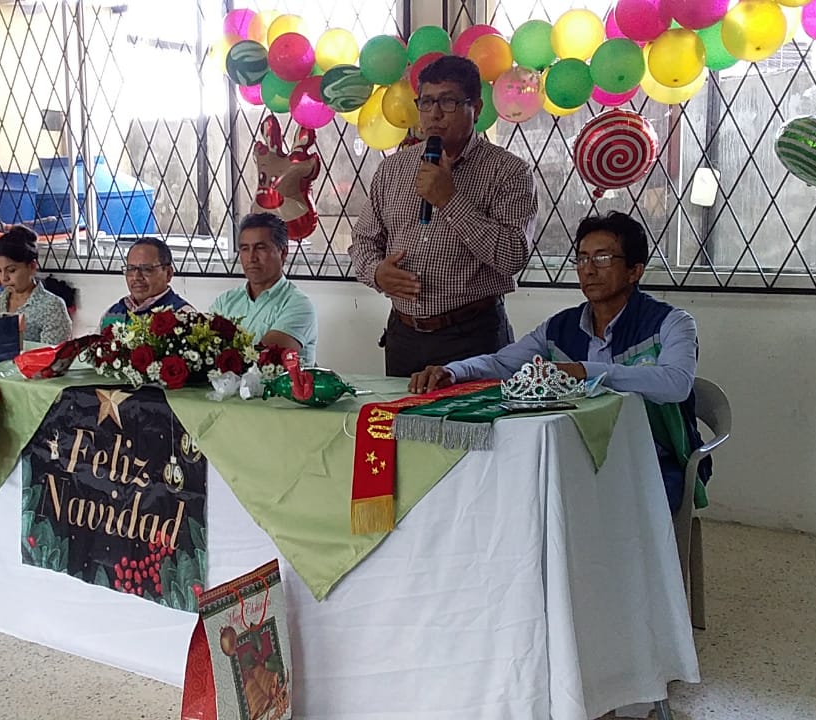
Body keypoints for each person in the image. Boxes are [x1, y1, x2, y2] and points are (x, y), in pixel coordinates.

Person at [408, 212, 707, 513]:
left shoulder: (672, 323)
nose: (588, 269)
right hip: (573, 457)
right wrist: (453, 371)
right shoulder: (559, 327)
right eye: (582, 259)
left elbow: (676, 384)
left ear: (635, 271)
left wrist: (586, 372)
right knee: (504, 497)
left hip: (653, 460)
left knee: (588, 510)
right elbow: (503, 364)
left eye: (602, 258)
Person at [350, 55, 538, 377]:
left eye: (448, 102)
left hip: (472, 337)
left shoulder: (509, 171)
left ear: (476, 108)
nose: (435, 114)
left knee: (473, 413)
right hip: (404, 335)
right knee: (402, 412)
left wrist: (449, 200)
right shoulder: (393, 169)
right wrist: (377, 273)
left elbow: (512, 256)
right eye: (426, 102)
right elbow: (363, 242)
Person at [210, 213, 318, 365]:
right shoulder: (225, 301)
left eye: (260, 248)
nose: (251, 258)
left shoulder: (298, 305)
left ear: (283, 252)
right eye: (245, 249)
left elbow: (263, 359)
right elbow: (205, 350)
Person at [0, 226, 72, 345]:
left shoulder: (51, 307)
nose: (4, 278)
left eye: (11, 270)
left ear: (32, 266)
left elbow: (52, 353)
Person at [100, 237, 195, 328]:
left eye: (146, 269)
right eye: (131, 269)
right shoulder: (111, 314)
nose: (136, 277)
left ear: (168, 273)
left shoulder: (184, 316)